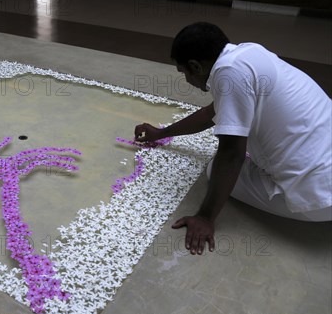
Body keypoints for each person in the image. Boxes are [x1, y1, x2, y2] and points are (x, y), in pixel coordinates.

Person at [134, 22, 331, 255]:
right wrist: (162, 133)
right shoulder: (248, 53)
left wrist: (205, 217)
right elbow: (212, 112)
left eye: (184, 72)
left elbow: (232, 153)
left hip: (322, 198)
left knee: (214, 171)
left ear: (195, 66)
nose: (186, 79)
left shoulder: (228, 74)